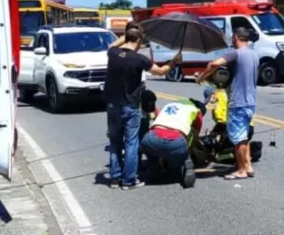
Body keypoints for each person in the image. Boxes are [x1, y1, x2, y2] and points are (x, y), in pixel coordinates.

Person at [104, 27, 181, 190]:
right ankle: (128, 180)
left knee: (115, 142)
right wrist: (174, 62)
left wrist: (127, 35)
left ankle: (115, 179)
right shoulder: (139, 59)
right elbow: (161, 72)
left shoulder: (113, 53)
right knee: (132, 142)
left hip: (112, 105)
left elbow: (112, 44)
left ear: (126, 38)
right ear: (139, 41)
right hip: (130, 106)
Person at [197, 27, 259, 180]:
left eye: (233, 37)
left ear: (237, 37)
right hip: (251, 101)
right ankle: (248, 166)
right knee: (243, 136)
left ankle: (241, 170)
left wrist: (202, 77)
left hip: (238, 102)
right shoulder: (254, 55)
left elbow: (213, 64)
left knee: (237, 139)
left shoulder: (236, 53)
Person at [142, 97, 204, 186]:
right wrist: (189, 152)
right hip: (176, 142)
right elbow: (195, 135)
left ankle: (154, 168)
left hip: (151, 138)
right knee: (181, 156)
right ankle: (187, 164)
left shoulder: (168, 105)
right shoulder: (196, 110)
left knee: (149, 149)